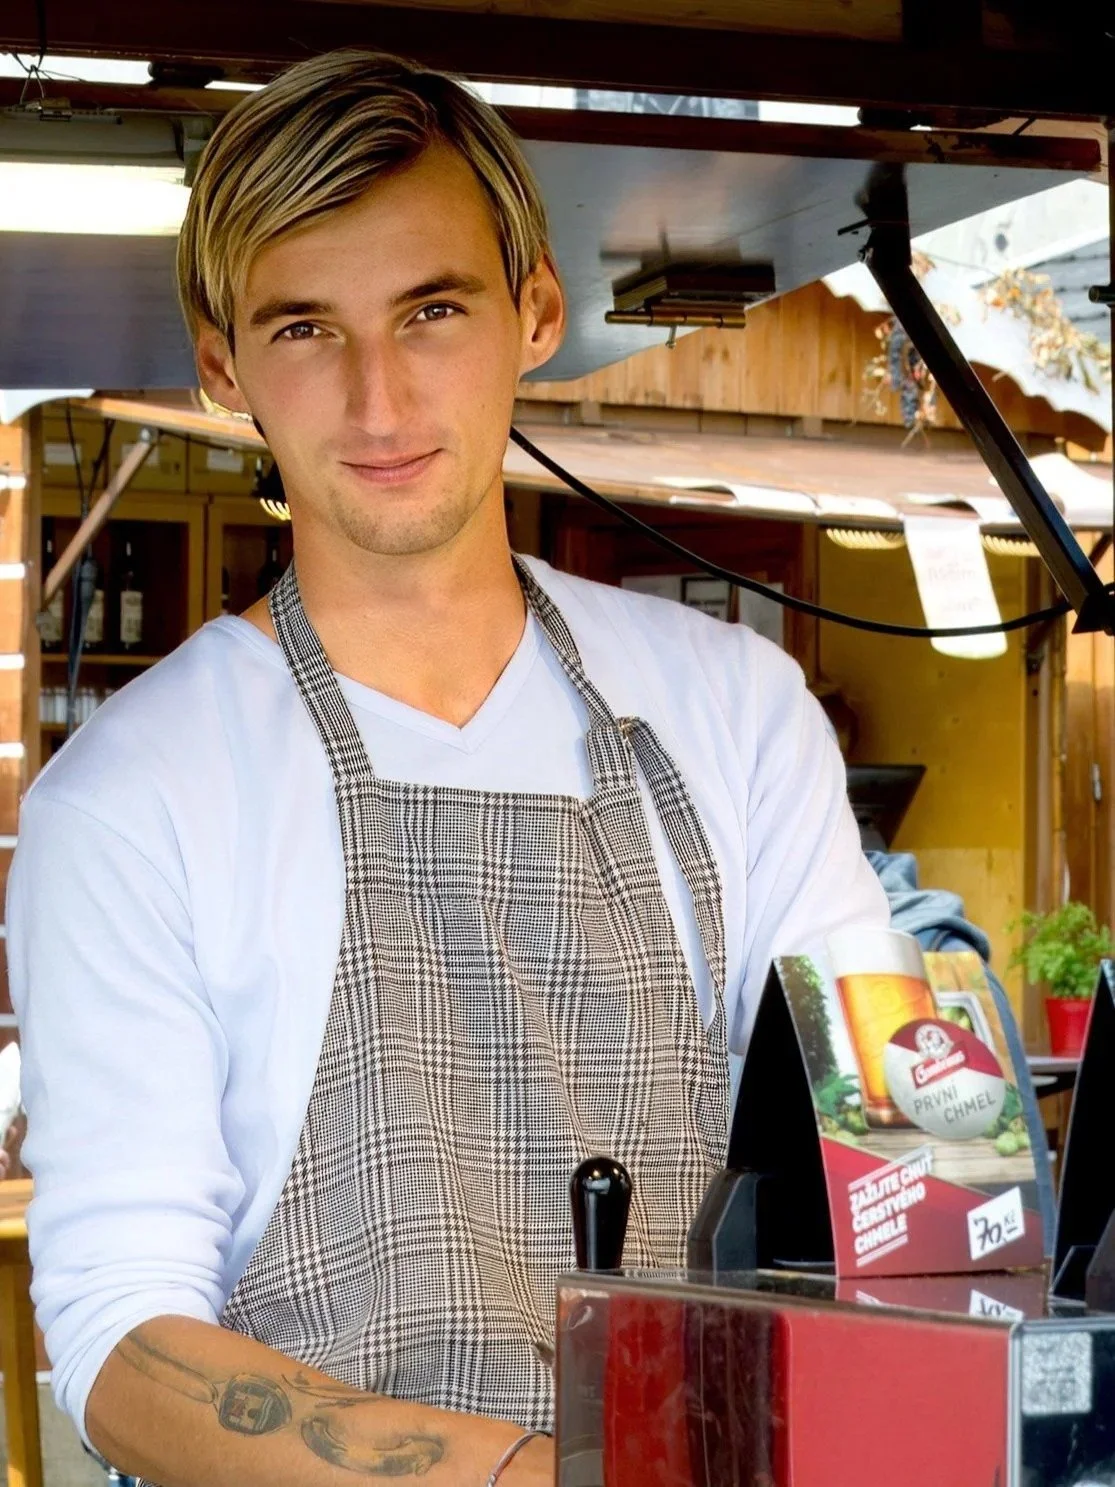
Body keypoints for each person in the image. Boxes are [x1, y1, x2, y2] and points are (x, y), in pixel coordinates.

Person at [7, 49, 887, 1487]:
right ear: (224, 366)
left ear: (535, 308)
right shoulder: (133, 797)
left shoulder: (732, 713)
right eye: (305, 329)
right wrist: (545, 1477)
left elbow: (880, 1175)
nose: (377, 397)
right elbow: (122, 1344)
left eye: (431, 310)